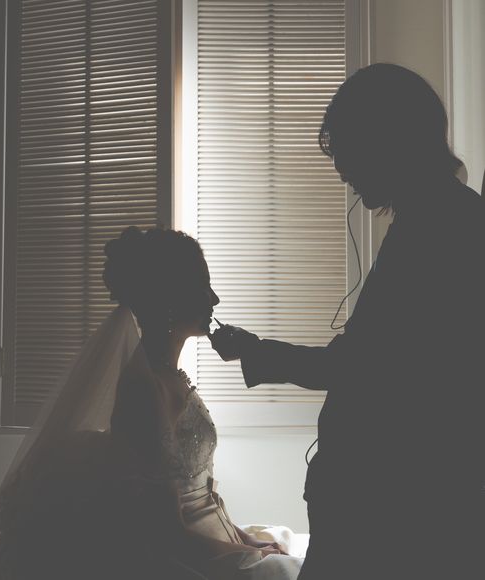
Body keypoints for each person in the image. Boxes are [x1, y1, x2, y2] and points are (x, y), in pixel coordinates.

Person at [209, 63, 485, 580]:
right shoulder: (442, 217)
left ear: (386, 142)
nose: (341, 171)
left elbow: (362, 366)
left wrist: (257, 352)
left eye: (347, 151)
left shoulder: (436, 230)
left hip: (389, 507)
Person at [0, 226, 303, 580]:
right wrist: (250, 553)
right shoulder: (143, 390)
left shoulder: (172, 376)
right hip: (191, 559)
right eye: (203, 287)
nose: (215, 299)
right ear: (173, 298)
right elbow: (169, 535)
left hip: (221, 541)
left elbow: (203, 495)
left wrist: (248, 540)